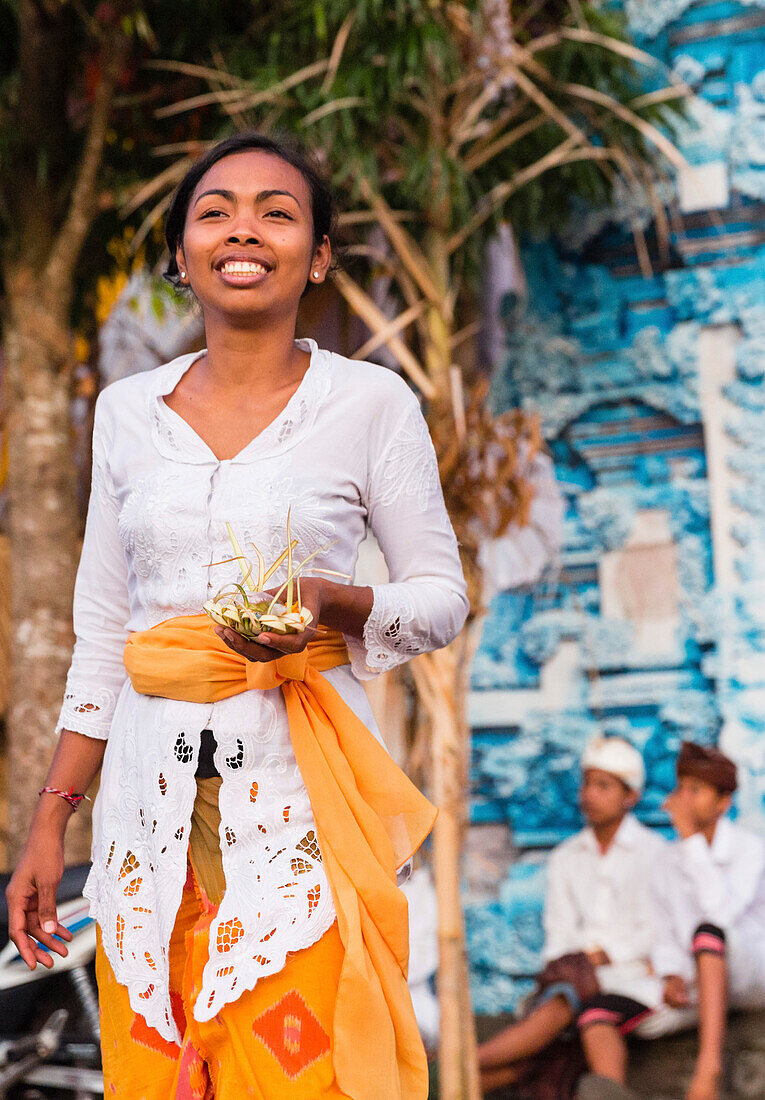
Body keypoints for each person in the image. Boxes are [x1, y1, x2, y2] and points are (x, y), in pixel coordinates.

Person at [5, 131, 469, 1100]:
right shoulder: (126, 411)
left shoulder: (372, 402)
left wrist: (336, 601)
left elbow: (440, 599)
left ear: (320, 253)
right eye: (213, 211)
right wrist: (52, 821)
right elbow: (103, 635)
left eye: (276, 210)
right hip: (143, 823)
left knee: (300, 1071)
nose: (242, 229)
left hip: (296, 815)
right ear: (182, 254)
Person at [578, 741, 765, 1100]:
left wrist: (691, 840)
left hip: (744, 974)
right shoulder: (666, 859)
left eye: (696, 791)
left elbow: (721, 916)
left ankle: (707, 1072)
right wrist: (671, 973)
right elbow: (663, 931)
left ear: (723, 803)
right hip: (693, 982)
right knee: (596, 1014)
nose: (683, 799)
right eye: (681, 788)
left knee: (708, 935)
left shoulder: (749, 850)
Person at [478, 736, 663, 1097]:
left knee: (557, 1017)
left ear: (631, 797)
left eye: (603, 786)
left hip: (631, 983)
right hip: (572, 981)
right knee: (561, 1004)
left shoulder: (656, 855)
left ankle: (445, 1068)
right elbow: (557, 937)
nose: (589, 794)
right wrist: (581, 964)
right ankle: (439, 1078)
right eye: (587, 783)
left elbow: (656, 931)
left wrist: (601, 956)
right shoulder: (566, 857)